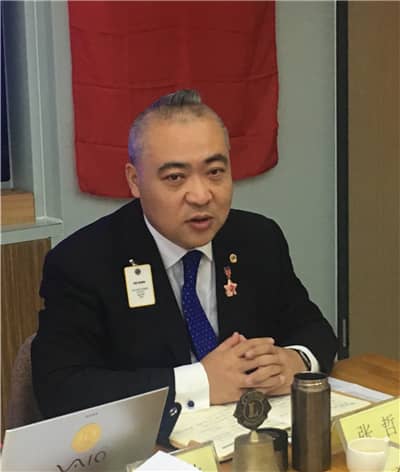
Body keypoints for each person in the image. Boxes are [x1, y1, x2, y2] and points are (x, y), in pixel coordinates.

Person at [31, 90, 337, 441]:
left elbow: (314, 329)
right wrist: (201, 381)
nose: (201, 195)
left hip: (252, 442)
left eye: (215, 172)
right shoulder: (83, 262)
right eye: (175, 178)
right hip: (151, 450)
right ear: (135, 180)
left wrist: (294, 362)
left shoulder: (257, 238)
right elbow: (61, 390)